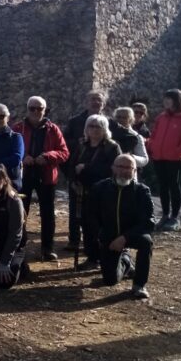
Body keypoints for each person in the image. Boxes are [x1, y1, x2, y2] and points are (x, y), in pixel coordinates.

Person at [88, 155, 155, 299]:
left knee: (146, 242)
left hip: (132, 235)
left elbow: (149, 222)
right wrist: (100, 235)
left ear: (134, 171)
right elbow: (90, 216)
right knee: (110, 280)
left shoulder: (142, 191)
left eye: (128, 168)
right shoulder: (100, 188)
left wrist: (124, 238)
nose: (124, 171)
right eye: (120, 167)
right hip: (109, 237)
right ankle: (126, 261)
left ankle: (139, 285)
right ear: (113, 168)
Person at [12, 96, 69, 261]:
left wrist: (49, 156)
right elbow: (12, 149)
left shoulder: (53, 129)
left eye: (40, 108)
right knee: (20, 212)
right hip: (24, 176)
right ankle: (18, 245)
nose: (36, 111)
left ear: (45, 110)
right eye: (32, 108)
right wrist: (23, 158)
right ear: (27, 109)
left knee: (47, 213)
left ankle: (47, 248)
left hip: (46, 176)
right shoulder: (17, 128)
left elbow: (64, 152)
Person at [68, 114, 122, 270]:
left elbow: (114, 169)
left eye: (98, 126)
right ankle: (92, 257)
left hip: (103, 193)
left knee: (102, 227)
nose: (94, 129)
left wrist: (87, 168)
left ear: (104, 129)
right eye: (91, 126)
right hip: (82, 193)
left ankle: (105, 257)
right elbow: (72, 165)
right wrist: (74, 181)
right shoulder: (82, 145)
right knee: (86, 225)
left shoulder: (112, 147)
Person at [63, 90, 110, 253]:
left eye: (99, 100)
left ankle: (96, 245)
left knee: (97, 214)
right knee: (75, 211)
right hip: (79, 180)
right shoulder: (75, 121)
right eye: (92, 99)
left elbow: (126, 134)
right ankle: (74, 240)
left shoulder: (109, 122)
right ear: (86, 102)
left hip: (100, 182)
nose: (96, 102)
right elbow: (65, 142)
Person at [147, 89, 181, 231]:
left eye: (169, 99)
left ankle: (174, 218)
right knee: (163, 186)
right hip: (159, 157)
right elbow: (154, 135)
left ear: (177, 100)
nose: (166, 101)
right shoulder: (161, 117)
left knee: (173, 186)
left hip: (176, 159)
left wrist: (177, 151)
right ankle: (165, 215)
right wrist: (152, 145)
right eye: (165, 98)